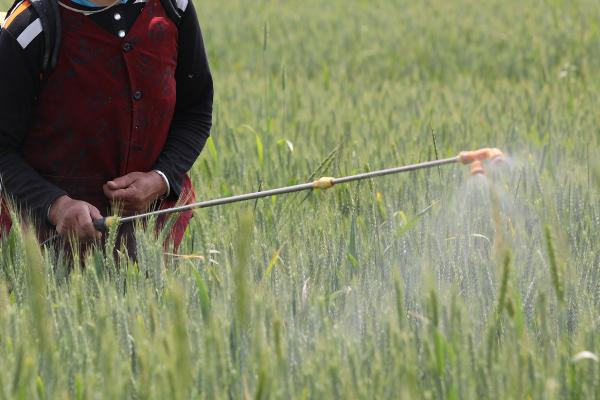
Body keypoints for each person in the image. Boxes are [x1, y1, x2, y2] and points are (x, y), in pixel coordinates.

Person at [0, 0, 213, 252]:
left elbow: (195, 112)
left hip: (158, 238)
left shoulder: (173, 8)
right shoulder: (31, 26)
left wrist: (161, 179)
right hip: (48, 245)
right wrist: (56, 205)